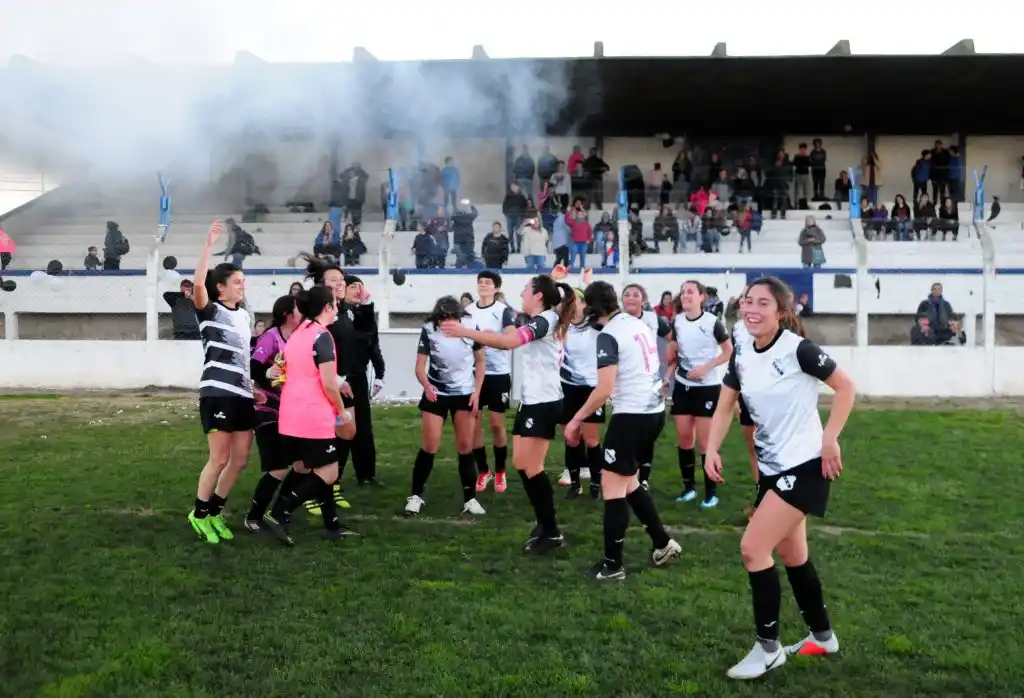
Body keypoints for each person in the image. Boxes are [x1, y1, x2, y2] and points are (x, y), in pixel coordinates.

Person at [704, 276, 854, 680]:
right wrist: (712, 448)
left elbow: (845, 387)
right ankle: (822, 637)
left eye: (763, 304)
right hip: (773, 470)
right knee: (793, 556)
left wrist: (829, 439)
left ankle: (768, 648)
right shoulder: (741, 355)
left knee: (753, 548)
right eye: (748, 301)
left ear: (782, 312)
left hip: (805, 466)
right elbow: (723, 408)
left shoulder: (797, 350)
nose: (752, 309)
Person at [442, 274, 575, 553]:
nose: (523, 293)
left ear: (538, 296)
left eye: (527, 289)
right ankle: (545, 523)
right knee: (522, 464)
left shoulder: (545, 320)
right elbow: (507, 336)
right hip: (533, 401)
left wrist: (465, 332)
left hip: (544, 402)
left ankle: (550, 529)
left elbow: (508, 343)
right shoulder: (539, 319)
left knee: (531, 467)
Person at [564, 280, 682, 581]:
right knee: (629, 482)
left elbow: (603, 389)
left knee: (613, 489)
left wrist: (576, 419)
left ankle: (612, 565)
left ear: (591, 309)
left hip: (632, 415)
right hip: (652, 411)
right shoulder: (636, 322)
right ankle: (662, 543)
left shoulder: (609, 334)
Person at [263, 285, 357, 545]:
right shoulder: (321, 336)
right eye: (336, 303)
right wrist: (342, 413)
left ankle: (331, 525)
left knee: (305, 467)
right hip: (313, 417)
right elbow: (328, 383)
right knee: (328, 472)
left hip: (291, 415)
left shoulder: (298, 333)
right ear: (328, 307)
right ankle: (279, 513)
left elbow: (286, 370)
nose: (338, 306)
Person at [187, 220, 257, 545]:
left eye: (243, 281)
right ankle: (199, 514)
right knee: (219, 458)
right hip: (217, 394)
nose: (243, 286)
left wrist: (253, 385)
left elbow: (243, 356)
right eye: (237, 281)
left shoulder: (244, 316)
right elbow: (198, 285)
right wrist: (208, 245)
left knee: (240, 459)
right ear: (221, 288)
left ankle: (215, 510)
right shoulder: (210, 311)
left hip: (242, 395)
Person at [405, 296, 487, 516]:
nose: (446, 322)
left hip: (464, 394)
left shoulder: (470, 328)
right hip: (436, 394)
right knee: (430, 444)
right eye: (443, 318)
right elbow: (420, 367)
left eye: (451, 318)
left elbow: (480, 361)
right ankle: (415, 496)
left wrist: (477, 392)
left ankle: (470, 499)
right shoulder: (429, 330)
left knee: (465, 446)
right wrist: (427, 385)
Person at [297, 253, 356, 515]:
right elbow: (313, 354)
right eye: (334, 280)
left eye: (342, 279)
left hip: (345, 385)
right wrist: (337, 380)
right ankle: (310, 493)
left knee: (346, 434)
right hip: (326, 385)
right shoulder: (316, 316)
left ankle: (332, 484)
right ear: (321, 285)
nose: (341, 283)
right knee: (321, 441)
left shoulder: (345, 311)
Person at [667, 280, 733, 508]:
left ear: (702, 296)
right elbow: (675, 351)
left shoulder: (712, 322)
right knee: (685, 439)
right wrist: (669, 373)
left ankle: (711, 493)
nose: (685, 295)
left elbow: (728, 351)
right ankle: (689, 488)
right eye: (683, 291)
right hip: (683, 386)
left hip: (707, 388)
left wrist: (707, 367)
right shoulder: (676, 321)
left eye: (690, 292)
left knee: (706, 443)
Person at [243, 294, 305, 530]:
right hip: (269, 409)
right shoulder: (270, 338)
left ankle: (278, 510)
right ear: (287, 314)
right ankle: (253, 517)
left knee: (303, 465)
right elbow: (253, 367)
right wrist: (268, 373)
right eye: (300, 309)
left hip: (295, 410)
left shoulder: (303, 337)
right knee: (278, 468)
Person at [463, 271, 517, 494]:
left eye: (488, 283)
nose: (483, 285)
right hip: (474, 374)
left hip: (498, 374)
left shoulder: (503, 311)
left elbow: (511, 337)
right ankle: (484, 471)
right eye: (480, 282)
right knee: (473, 423)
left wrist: (489, 337)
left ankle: (501, 471)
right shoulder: (467, 311)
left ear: (496, 288)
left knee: (496, 423)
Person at [619, 283, 672, 485]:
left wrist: (668, 370)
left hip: (650, 383)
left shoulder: (652, 318)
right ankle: (628, 473)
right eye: (627, 295)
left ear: (643, 299)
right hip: (625, 383)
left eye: (636, 295)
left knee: (646, 431)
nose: (631, 298)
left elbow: (672, 340)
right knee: (626, 430)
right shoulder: (618, 320)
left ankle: (644, 478)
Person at [555, 287, 605, 499]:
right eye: (568, 300)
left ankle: (595, 484)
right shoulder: (559, 326)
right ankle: (575, 485)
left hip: (592, 388)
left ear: (584, 304)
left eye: (575, 299)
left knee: (592, 439)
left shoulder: (597, 325)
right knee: (571, 438)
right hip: (567, 387)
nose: (571, 303)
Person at [343, 275, 385, 486]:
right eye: (352, 286)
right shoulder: (338, 313)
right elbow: (356, 337)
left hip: (358, 376)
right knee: (341, 428)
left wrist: (380, 373)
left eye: (360, 287)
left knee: (363, 428)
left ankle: (366, 474)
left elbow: (372, 341)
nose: (357, 291)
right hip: (339, 377)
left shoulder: (362, 312)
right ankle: (332, 477)